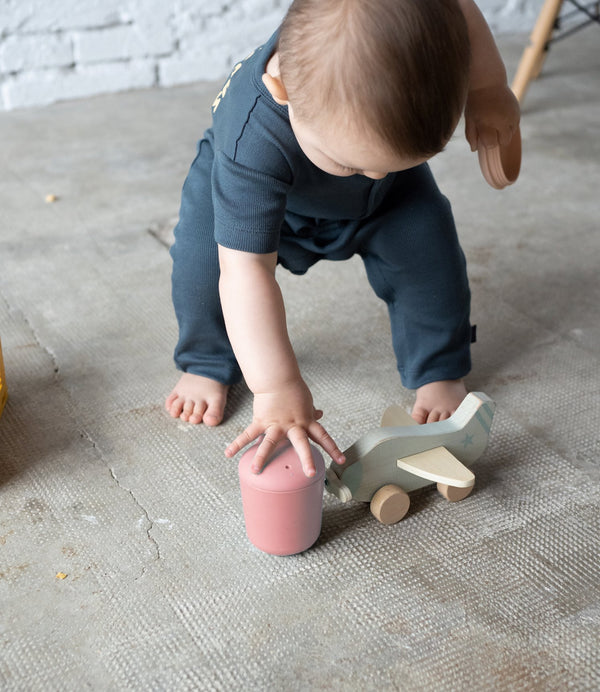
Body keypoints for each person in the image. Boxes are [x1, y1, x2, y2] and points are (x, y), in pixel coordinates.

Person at [165, 0, 520, 477]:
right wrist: (276, 388)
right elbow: (246, 272)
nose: (371, 174)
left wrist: (488, 89)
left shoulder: (381, 164)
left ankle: (437, 366)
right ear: (283, 90)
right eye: (355, 164)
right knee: (203, 264)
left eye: (400, 160)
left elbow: (459, 8)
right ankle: (206, 360)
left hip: (385, 202)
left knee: (429, 252)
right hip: (273, 199)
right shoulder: (251, 141)